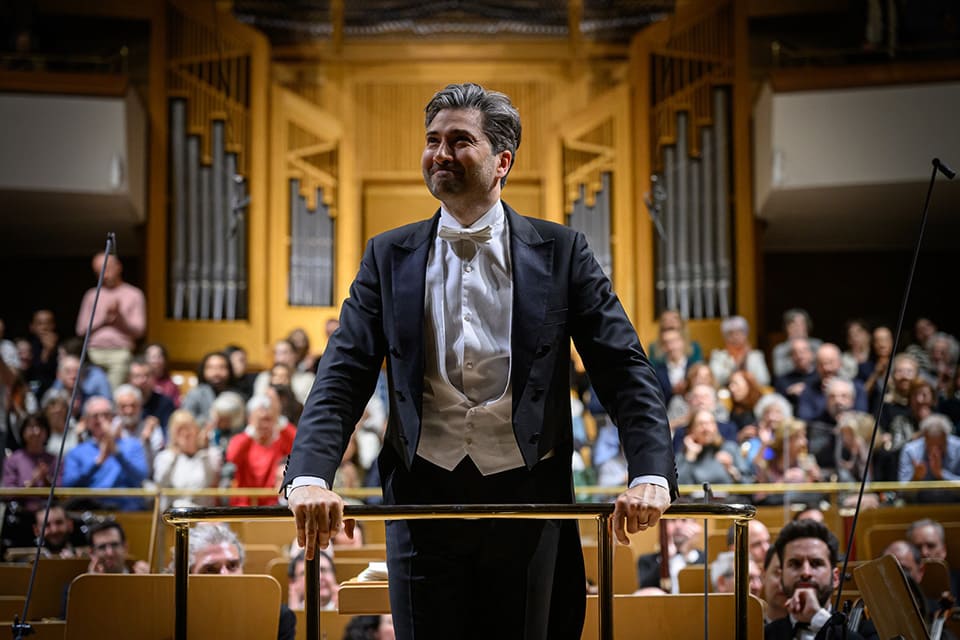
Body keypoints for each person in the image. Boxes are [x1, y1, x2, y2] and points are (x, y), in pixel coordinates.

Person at [284, 82, 676, 640]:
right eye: (432, 140)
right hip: (421, 504)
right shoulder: (386, 254)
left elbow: (624, 369)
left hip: (530, 499)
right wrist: (308, 478)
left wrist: (652, 473)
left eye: (460, 141)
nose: (439, 154)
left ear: (502, 162)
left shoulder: (562, 252)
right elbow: (341, 376)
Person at [765, 519, 875, 640]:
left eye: (816, 563)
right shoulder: (762, 635)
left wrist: (819, 620)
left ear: (835, 578)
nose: (805, 573)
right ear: (781, 577)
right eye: (795, 564)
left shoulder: (867, 631)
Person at [188, 523, 296, 640]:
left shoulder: (277, 617)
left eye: (232, 566)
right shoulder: (172, 616)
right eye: (210, 569)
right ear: (188, 575)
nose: (225, 575)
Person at [61, 396, 149, 511]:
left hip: (128, 510)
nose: (101, 420)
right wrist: (97, 463)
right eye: (95, 416)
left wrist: (116, 452)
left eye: (106, 415)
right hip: (91, 511)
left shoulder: (133, 445)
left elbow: (140, 476)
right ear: (86, 421)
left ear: (113, 418)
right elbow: (68, 485)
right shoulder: (76, 452)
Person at [75, 252, 146, 390]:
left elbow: (139, 331)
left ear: (118, 266)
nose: (104, 275)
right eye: (98, 272)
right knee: (91, 395)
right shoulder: (91, 295)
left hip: (120, 353)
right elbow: (81, 330)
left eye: (106, 269)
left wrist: (120, 318)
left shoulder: (134, 294)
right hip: (93, 352)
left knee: (113, 396)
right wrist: (103, 320)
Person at [226, 394, 296, 506]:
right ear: (250, 419)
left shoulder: (281, 441)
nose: (265, 425)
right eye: (261, 420)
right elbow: (232, 456)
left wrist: (279, 418)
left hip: (275, 506)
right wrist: (252, 429)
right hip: (246, 506)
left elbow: (297, 443)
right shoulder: (243, 441)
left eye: (269, 419)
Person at [153, 409, 222, 508]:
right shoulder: (164, 457)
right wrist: (174, 455)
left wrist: (204, 449)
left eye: (188, 428)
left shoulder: (208, 454)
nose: (185, 433)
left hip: (202, 516)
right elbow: (160, 483)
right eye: (180, 429)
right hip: (174, 517)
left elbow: (211, 481)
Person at [709, 315, 770, 387]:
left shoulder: (755, 355)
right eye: (731, 333)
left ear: (746, 334)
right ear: (725, 337)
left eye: (739, 332)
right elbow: (716, 379)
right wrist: (737, 365)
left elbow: (764, 380)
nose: (735, 337)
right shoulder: (718, 356)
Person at [906, 518, 960, 598]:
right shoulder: (904, 586)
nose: (924, 553)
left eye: (931, 546)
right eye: (917, 547)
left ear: (943, 551)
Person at [771, 309, 822, 380]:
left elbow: (823, 368)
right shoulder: (780, 350)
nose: (798, 328)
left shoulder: (817, 345)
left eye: (801, 324)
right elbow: (779, 373)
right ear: (787, 328)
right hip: (790, 383)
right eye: (793, 325)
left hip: (815, 383)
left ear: (807, 326)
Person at [128, 356, 175, 429]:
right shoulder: (122, 403)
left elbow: (169, 434)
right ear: (129, 379)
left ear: (154, 378)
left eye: (147, 375)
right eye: (137, 376)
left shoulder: (165, 403)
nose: (143, 380)